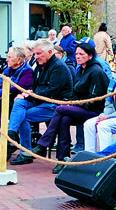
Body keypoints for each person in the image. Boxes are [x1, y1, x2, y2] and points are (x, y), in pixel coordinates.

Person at [34, 42, 110, 170]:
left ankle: (44, 143)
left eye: (81, 54)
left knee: (60, 109)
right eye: (76, 54)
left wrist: (73, 104)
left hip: (94, 110)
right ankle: (62, 159)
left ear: (90, 56)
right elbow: (75, 93)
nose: (78, 57)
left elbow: (95, 99)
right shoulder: (80, 70)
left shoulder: (96, 72)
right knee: (64, 119)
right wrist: (71, 102)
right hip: (80, 108)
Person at [8, 40, 73, 165]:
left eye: (39, 53)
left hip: (55, 104)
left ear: (50, 52)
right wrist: (26, 94)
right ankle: (12, 133)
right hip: (40, 100)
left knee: (23, 116)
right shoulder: (39, 65)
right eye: (35, 54)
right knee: (19, 103)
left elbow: (51, 91)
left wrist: (30, 94)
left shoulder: (59, 67)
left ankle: (26, 152)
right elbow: (35, 86)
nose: (36, 56)